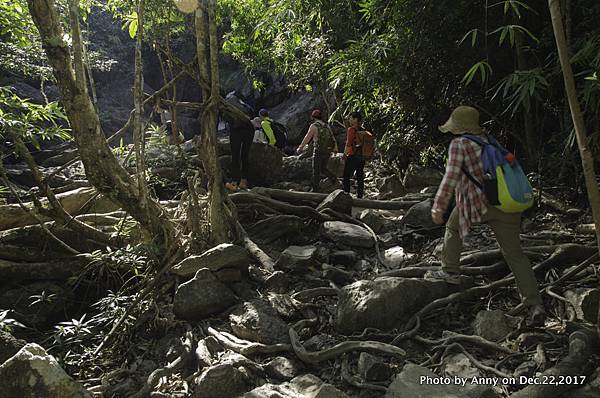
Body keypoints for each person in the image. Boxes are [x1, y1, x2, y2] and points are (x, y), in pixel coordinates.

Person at [426, 105, 546, 327]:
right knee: (515, 255)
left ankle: (450, 272)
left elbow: (450, 178)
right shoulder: (491, 141)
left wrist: (438, 206)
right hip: (506, 205)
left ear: (458, 126)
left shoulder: (459, 144)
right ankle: (534, 303)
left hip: (474, 205)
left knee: (453, 229)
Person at [297, 109, 338, 192]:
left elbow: (307, 138)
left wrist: (300, 148)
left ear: (312, 117)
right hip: (327, 150)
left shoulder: (314, 126)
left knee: (316, 170)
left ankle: (315, 189)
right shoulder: (327, 126)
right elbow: (332, 138)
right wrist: (335, 148)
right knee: (323, 168)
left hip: (318, 150)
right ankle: (332, 177)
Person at [224, 113, 254, 191]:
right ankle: (243, 181)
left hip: (237, 130)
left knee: (235, 156)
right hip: (249, 128)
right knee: (245, 155)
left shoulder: (225, 107)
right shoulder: (240, 103)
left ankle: (234, 182)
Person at [342, 111, 366, 198]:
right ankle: (360, 195)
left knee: (346, 175)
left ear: (356, 119)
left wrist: (344, 155)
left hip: (352, 156)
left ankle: (346, 194)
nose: (349, 120)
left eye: (351, 118)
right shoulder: (363, 129)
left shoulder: (351, 130)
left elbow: (348, 144)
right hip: (362, 156)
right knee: (360, 175)